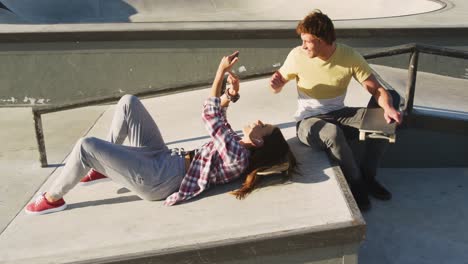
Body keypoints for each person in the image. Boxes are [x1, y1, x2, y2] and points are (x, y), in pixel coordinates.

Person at [25, 52, 296, 215]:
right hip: (167, 159)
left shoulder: (238, 155)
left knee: (86, 146)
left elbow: (210, 117)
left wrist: (219, 73)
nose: (260, 120)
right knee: (129, 102)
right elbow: (220, 121)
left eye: (265, 125)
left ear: (259, 141)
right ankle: (101, 167)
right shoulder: (238, 146)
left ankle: (52, 199)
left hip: (160, 178)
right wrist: (229, 95)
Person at [269, 10, 402, 211]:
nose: (303, 46)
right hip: (309, 122)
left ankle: (369, 176)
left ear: (322, 40)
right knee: (331, 132)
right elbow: (277, 85)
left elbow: (376, 89)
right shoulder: (297, 55)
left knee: (390, 103)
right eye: (302, 41)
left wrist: (389, 108)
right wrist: (276, 84)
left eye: (307, 41)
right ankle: (356, 184)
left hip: (341, 114)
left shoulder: (348, 56)